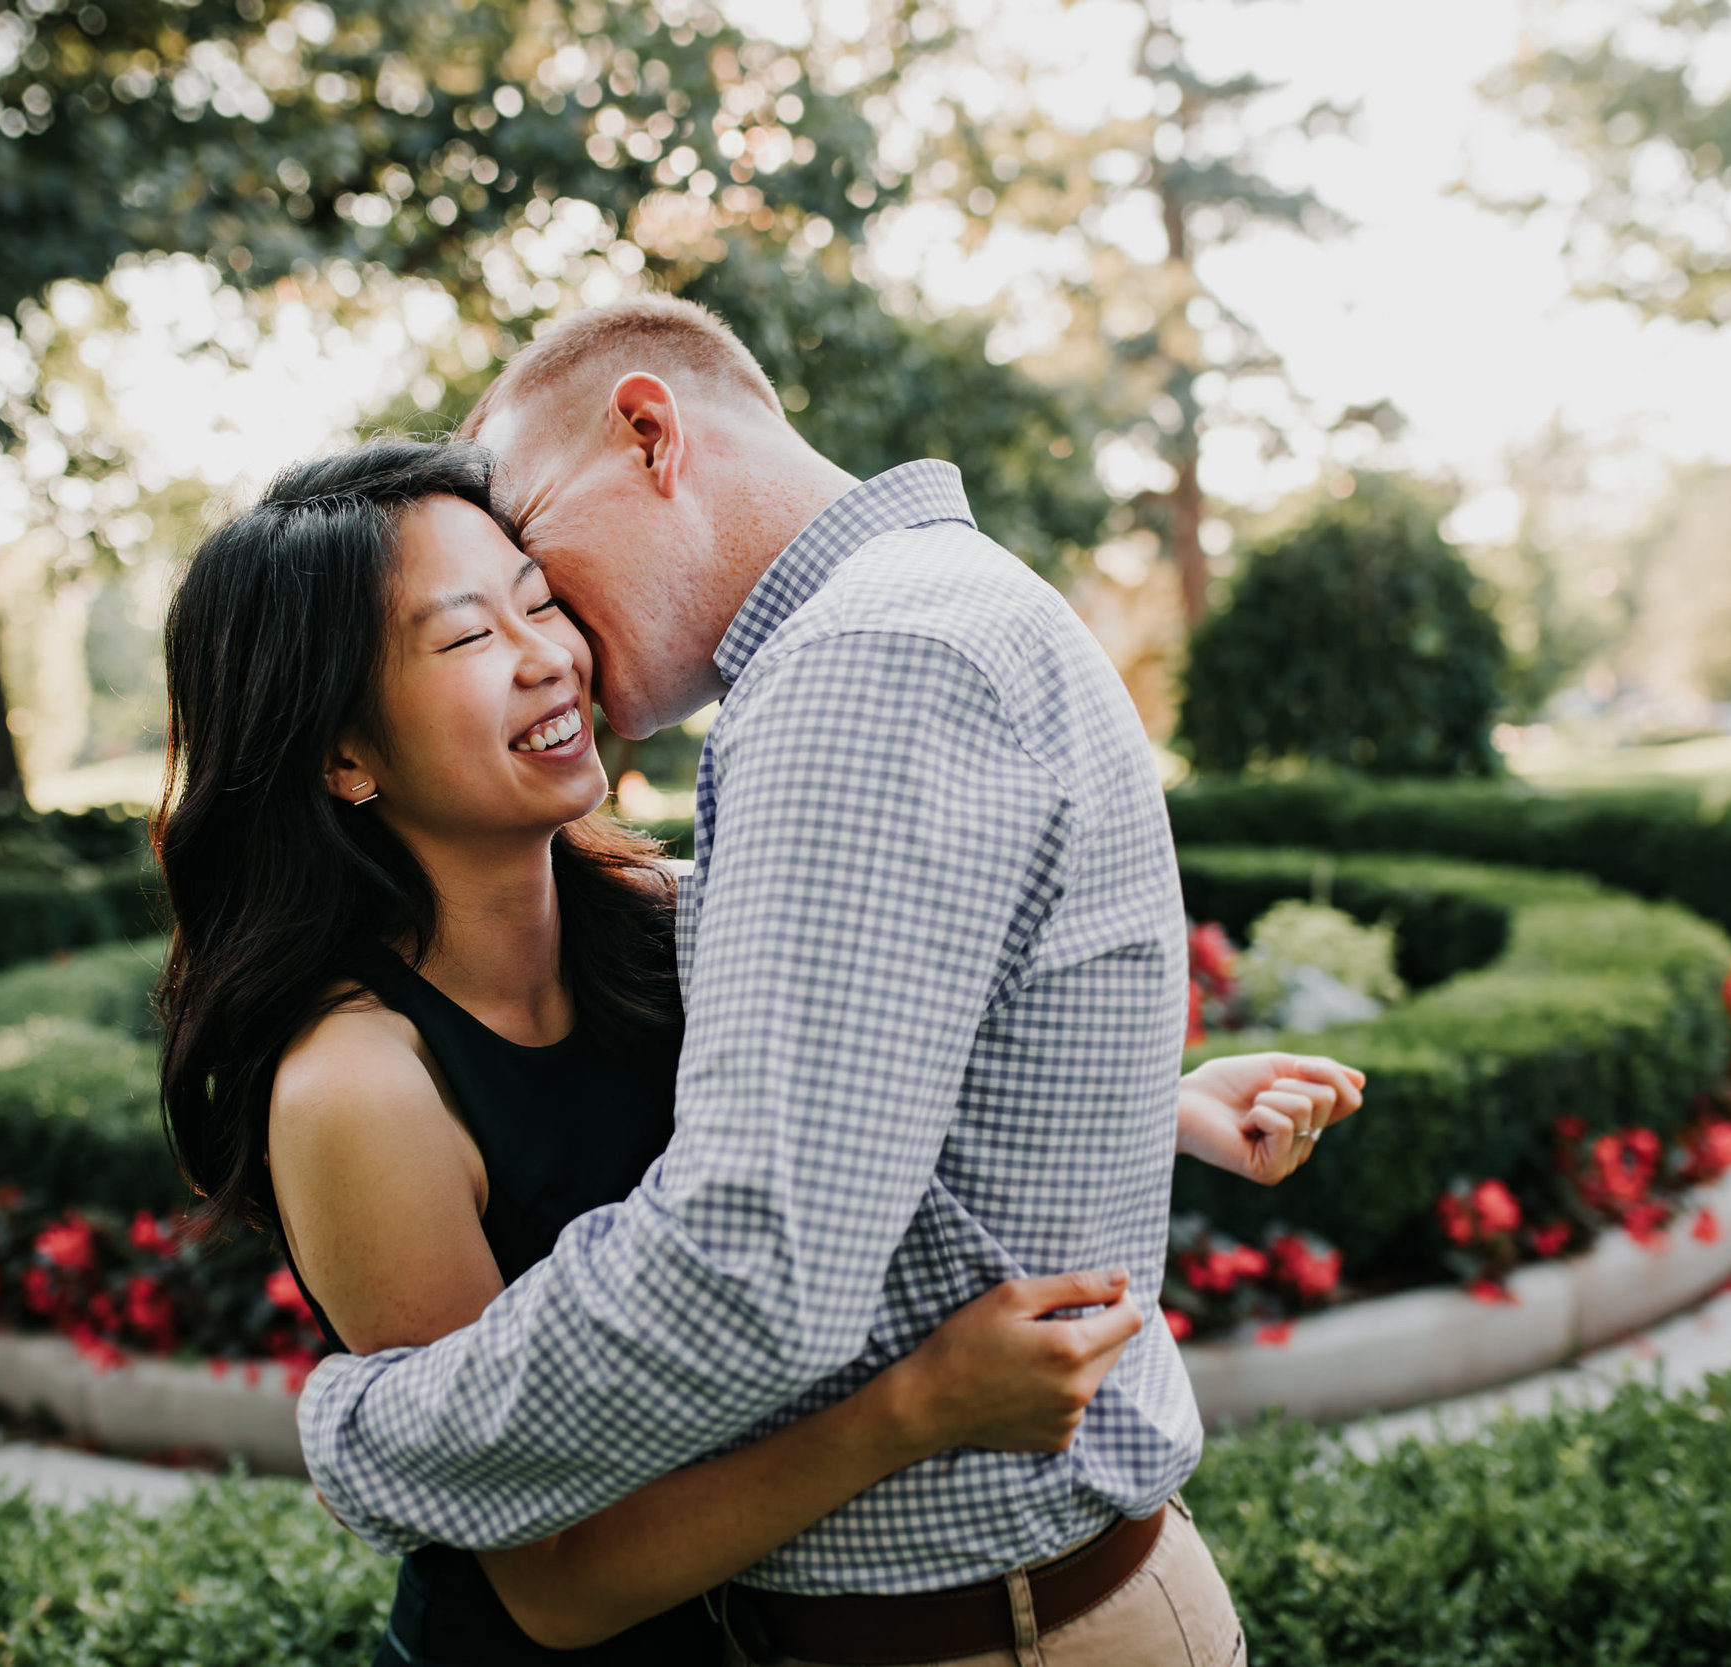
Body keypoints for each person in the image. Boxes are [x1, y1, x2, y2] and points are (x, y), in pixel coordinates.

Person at [293, 298, 1364, 1667]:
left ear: (649, 431)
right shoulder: (924, 610)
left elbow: (755, 1260)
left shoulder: (862, 663)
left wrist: (374, 1436)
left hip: (984, 1633)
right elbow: (867, 1059)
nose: (553, 638)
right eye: (479, 623)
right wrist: (1122, 1098)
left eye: (539, 568)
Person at [157, 441, 1183, 1664]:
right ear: (342, 754)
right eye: (467, 638)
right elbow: (554, 1585)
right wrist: (911, 1410)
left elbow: (854, 1084)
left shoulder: (658, 910)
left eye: (539, 601)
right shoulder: (360, 1085)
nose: (551, 656)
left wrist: (1164, 1102)